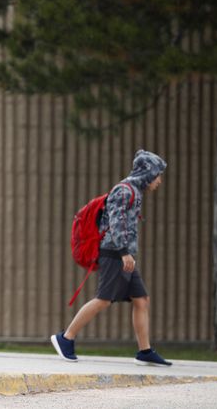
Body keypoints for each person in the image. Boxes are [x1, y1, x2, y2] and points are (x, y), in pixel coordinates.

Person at [51, 149, 172, 366]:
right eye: (157, 175)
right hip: (114, 254)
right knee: (103, 300)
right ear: (147, 173)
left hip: (124, 256)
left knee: (142, 300)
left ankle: (144, 351)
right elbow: (116, 224)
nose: (159, 181)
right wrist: (124, 252)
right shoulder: (124, 191)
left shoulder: (135, 191)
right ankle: (65, 338)